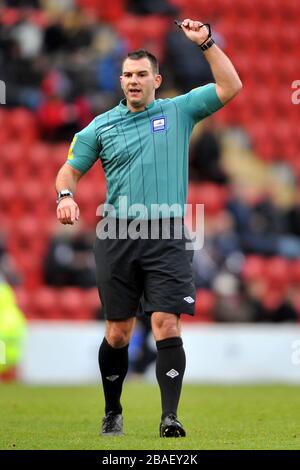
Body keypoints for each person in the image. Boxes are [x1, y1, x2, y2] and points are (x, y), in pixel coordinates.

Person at [55, 19, 242, 438]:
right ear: (120, 80)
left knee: (166, 324)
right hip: (117, 234)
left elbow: (231, 87)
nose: (133, 81)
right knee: (119, 333)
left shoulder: (178, 110)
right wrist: (65, 197)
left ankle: (170, 417)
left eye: (141, 74)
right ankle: (112, 409)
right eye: (127, 74)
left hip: (167, 233)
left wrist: (207, 43)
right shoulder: (99, 127)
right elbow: (68, 171)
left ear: (156, 80)